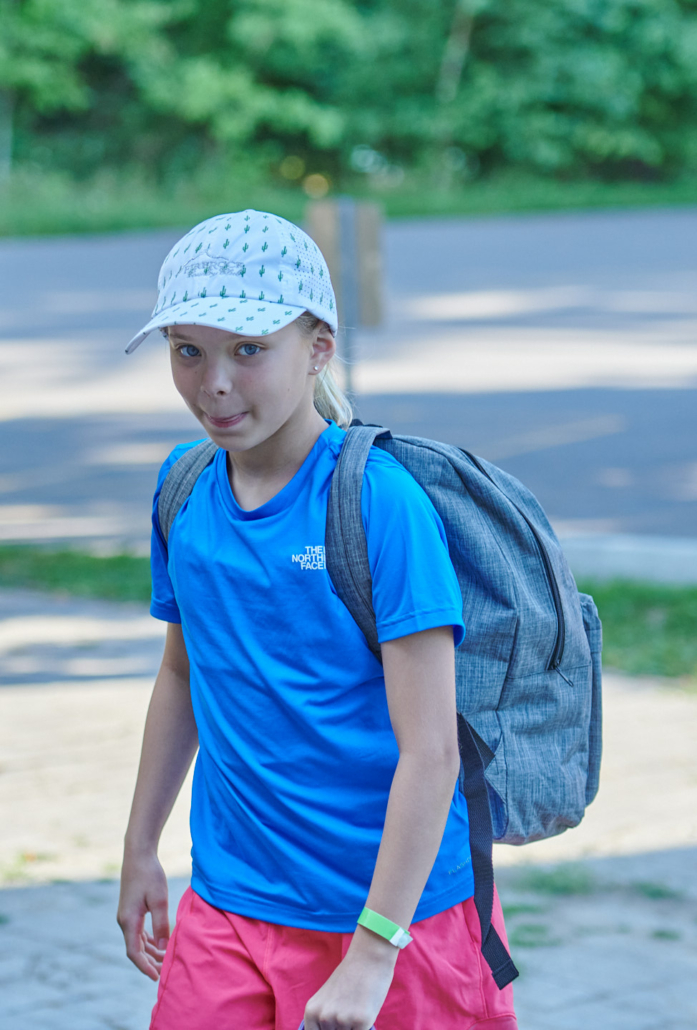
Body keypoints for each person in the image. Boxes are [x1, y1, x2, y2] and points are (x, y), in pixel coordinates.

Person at [117, 210, 517, 1030]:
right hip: (230, 903)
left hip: (394, 917)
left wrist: (373, 951)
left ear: (318, 349)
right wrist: (139, 848)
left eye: (248, 350)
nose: (213, 383)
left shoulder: (378, 502)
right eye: (187, 351)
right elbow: (182, 674)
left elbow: (432, 752)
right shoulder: (183, 489)